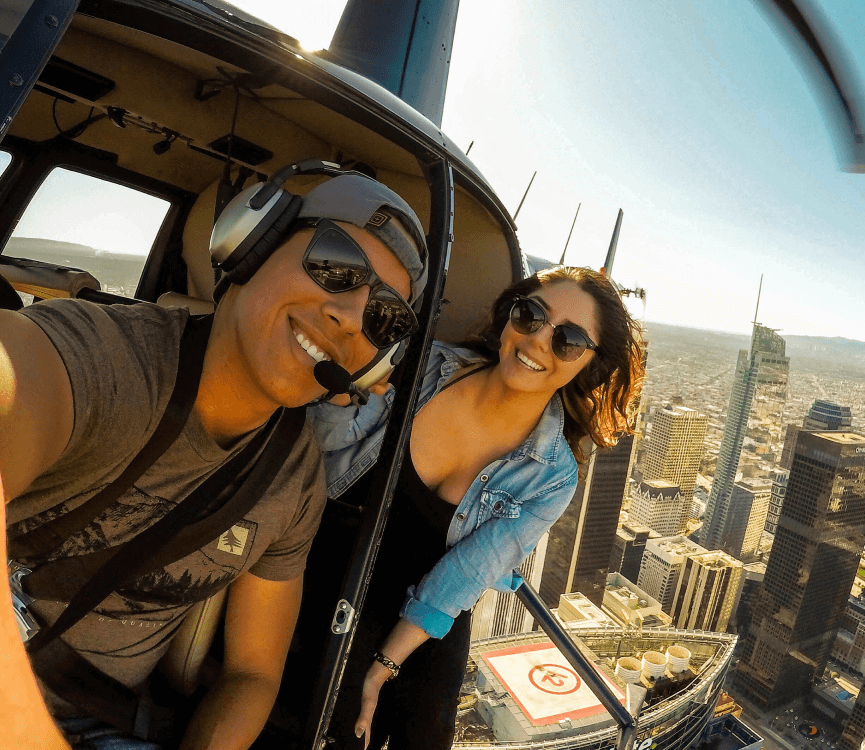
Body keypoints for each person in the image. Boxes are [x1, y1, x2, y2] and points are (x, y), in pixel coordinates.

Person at [0, 169, 427, 749]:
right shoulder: (102, 358)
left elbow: (252, 674)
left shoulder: (296, 484)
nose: (351, 316)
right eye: (335, 265)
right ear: (251, 244)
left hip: (105, 722)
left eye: (384, 318)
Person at [308, 266, 644, 749]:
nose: (535, 343)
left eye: (567, 340)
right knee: (334, 716)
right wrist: (346, 394)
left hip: (426, 601)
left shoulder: (552, 477)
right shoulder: (424, 365)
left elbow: (464, 575)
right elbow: (322, 451)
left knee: (424, 729)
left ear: (588, 365)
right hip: (336, 551)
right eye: (530, 315)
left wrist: (382, 669)